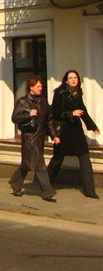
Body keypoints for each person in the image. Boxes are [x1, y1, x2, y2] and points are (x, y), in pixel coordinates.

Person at [47, 70, 100, 199]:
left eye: (75, 77)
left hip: (76, 131)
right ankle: (46, 184)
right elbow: (55, 113)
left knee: (85, 159)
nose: (73, 80)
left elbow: (83, 111)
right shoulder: (59, 93)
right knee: (57, 159)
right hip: (63, 131)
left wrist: (92, 127)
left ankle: (90, 191)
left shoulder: (78, 93)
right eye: (71, 78)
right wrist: (71, 114)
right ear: (66, 80)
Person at [9, 75, 59, 201]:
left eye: (41, 86)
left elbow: (49, 121)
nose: (40, 88)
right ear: (30, 87)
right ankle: (48, 191)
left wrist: (54, 136)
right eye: (38, 86)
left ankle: (15, 183)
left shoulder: (43, 102)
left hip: (40, 137)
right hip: (29, 138)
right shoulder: (23, 101)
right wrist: (28, 114)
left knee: (27, 164)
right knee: (39, 165)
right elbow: (15, 118)